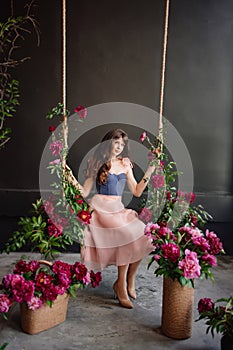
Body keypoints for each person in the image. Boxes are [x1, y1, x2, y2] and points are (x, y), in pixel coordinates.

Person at [66, 128, 155, 309]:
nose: (119, 147)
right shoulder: (96, 162)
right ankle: (120, 286)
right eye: (116, 142)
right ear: (108, 142)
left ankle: (129, 279)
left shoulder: (125, 164)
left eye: (122, 144)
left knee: (143, 235)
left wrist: (150, 170)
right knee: (125, 236)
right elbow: (84, 191)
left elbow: (137, 191)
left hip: (117, 208)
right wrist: (68, 177)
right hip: (100, 210)